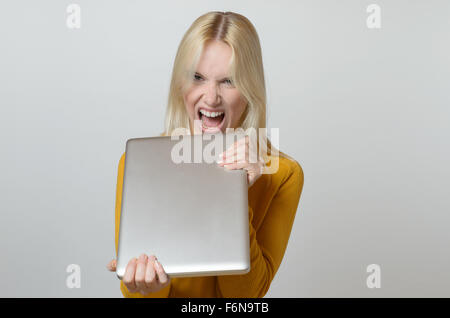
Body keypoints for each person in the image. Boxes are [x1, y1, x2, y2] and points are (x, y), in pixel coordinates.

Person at [106, 11, 304, 298]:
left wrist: (234, 193)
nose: (211, 97)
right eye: (198, 77)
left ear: (250, 90)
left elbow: (245, 298)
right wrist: (149, 291)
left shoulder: (282, 175)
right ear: (181, 85)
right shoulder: (137, 165)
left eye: (229, 81)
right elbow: (134, 292)